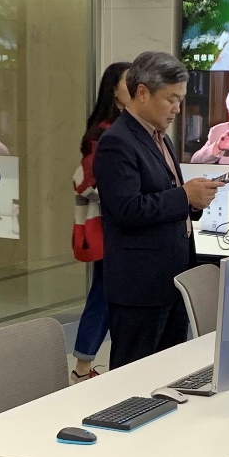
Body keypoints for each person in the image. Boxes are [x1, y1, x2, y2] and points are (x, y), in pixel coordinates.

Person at [93, 51, 219, 370]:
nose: (177, 109)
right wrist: (184, 196)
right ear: (142, 93)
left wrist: (194, 201)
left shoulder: (160, 137)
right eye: (171, 100)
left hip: (173, 281)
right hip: (140, 287)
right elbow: (127, 209)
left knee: (169, 373)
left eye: (180, 100)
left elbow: (164, 197)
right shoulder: (116, 142)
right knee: (133, 378)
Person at [71, 61, 131, 383]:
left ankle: (85, 365)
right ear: (113, 90)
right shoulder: (107, 132)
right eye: (129, 82)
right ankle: (82, 366)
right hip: (111, 228)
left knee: (106, 294)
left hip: (118, 228)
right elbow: (86, 181)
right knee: (103, 295)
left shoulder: (124, 126)